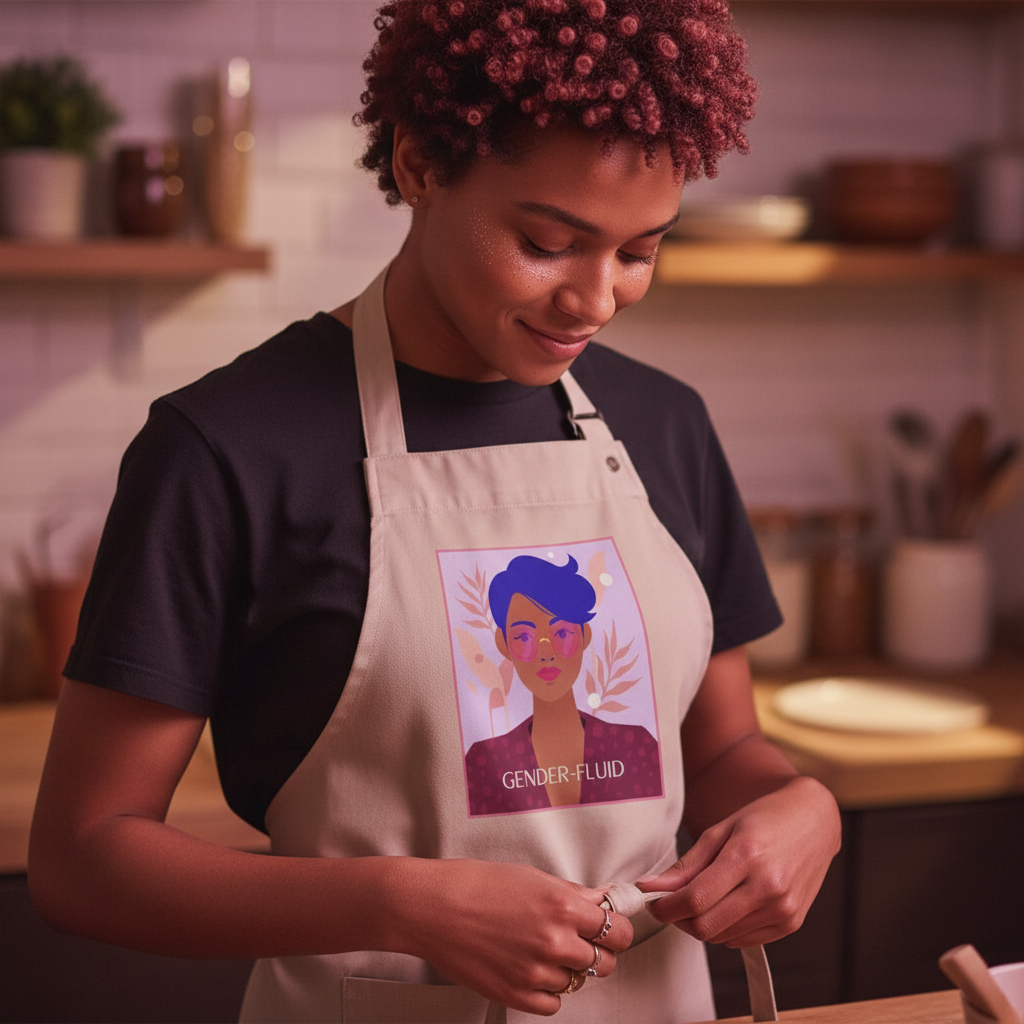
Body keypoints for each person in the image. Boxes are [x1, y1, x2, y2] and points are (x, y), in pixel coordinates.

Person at [29, 0, 842, 1021]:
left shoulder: (664, 423)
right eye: (548, 242)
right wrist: (399, 901)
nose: (593, 299)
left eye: (639, 252)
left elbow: (721, 750)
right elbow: (83, 855)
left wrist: (801, 807)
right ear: (419, 163)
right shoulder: (224, 447)